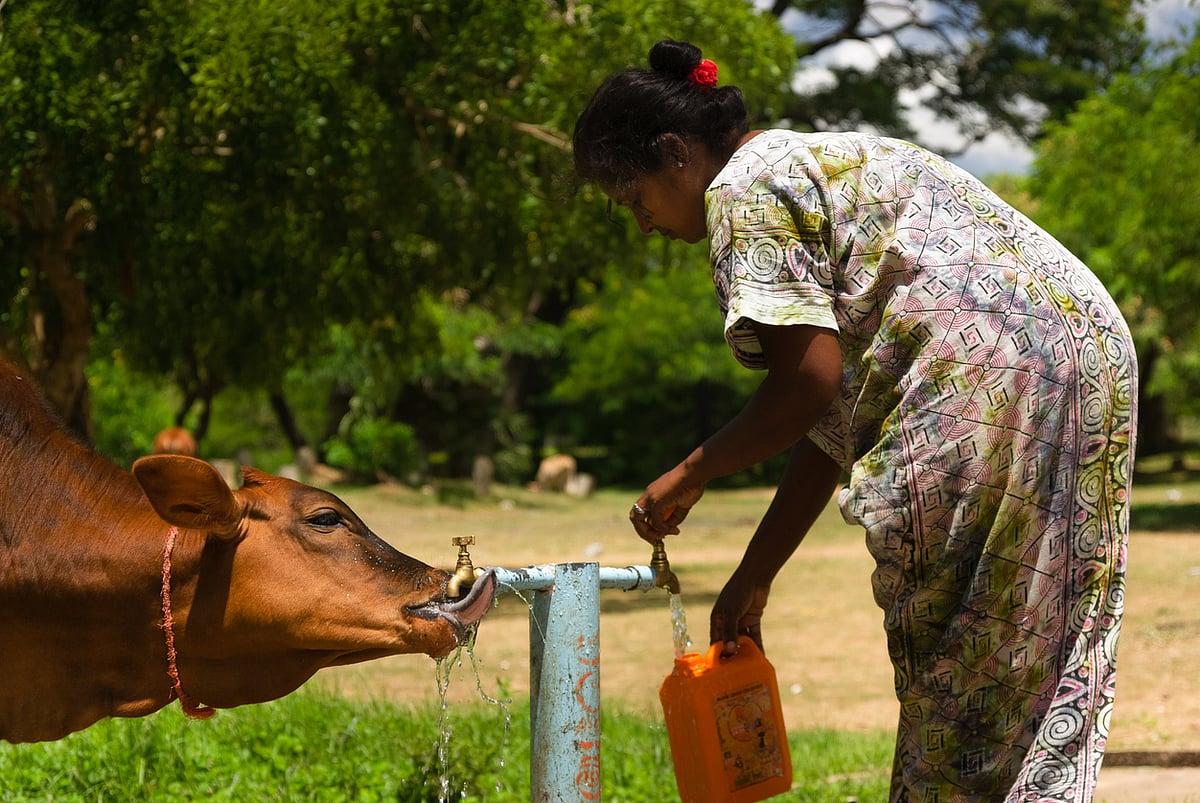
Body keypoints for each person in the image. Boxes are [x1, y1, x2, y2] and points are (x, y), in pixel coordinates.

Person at [572, 39, 1138, 802]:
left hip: (976, 380)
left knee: (958, 667)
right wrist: (755, 573)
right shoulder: (823, 158)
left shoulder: (741, 191)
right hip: (1085, 350)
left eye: (634, 199)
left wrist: (692, 470)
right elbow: (832, 413)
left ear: (675, 152)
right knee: (1031, 654)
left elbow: (806, 387)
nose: (643, 224)